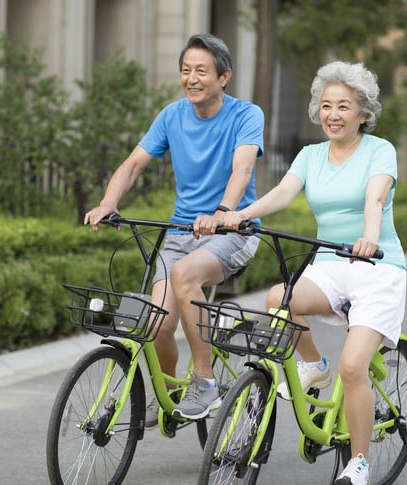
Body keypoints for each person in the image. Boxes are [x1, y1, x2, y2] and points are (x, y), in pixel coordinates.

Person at [218, 61, 406, 485]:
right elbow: (283, 193)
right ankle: (313, 363)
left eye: (343, 106)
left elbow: (375, 199)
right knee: (278, 298)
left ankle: (358, 461)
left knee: (353, 368)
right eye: (326, 106)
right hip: (331, 264)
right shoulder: (310, 155)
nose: (332, 115)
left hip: (377, 268)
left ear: (363, 113)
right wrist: (242, 214)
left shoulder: (380, 151)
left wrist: (369, 238)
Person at [84, 34, 264, 424]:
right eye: (186, 70)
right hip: (181, 233)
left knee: (184, 275)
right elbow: (133, 164)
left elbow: (243, 168)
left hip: (233, 233)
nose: (191, 78)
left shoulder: (246, 115)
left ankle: (204, 381)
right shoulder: (172, 116)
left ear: (224, 76)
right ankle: (169, 394)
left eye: (202, 71)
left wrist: (222, 212)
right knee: (157, 324)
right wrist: (108, 203)